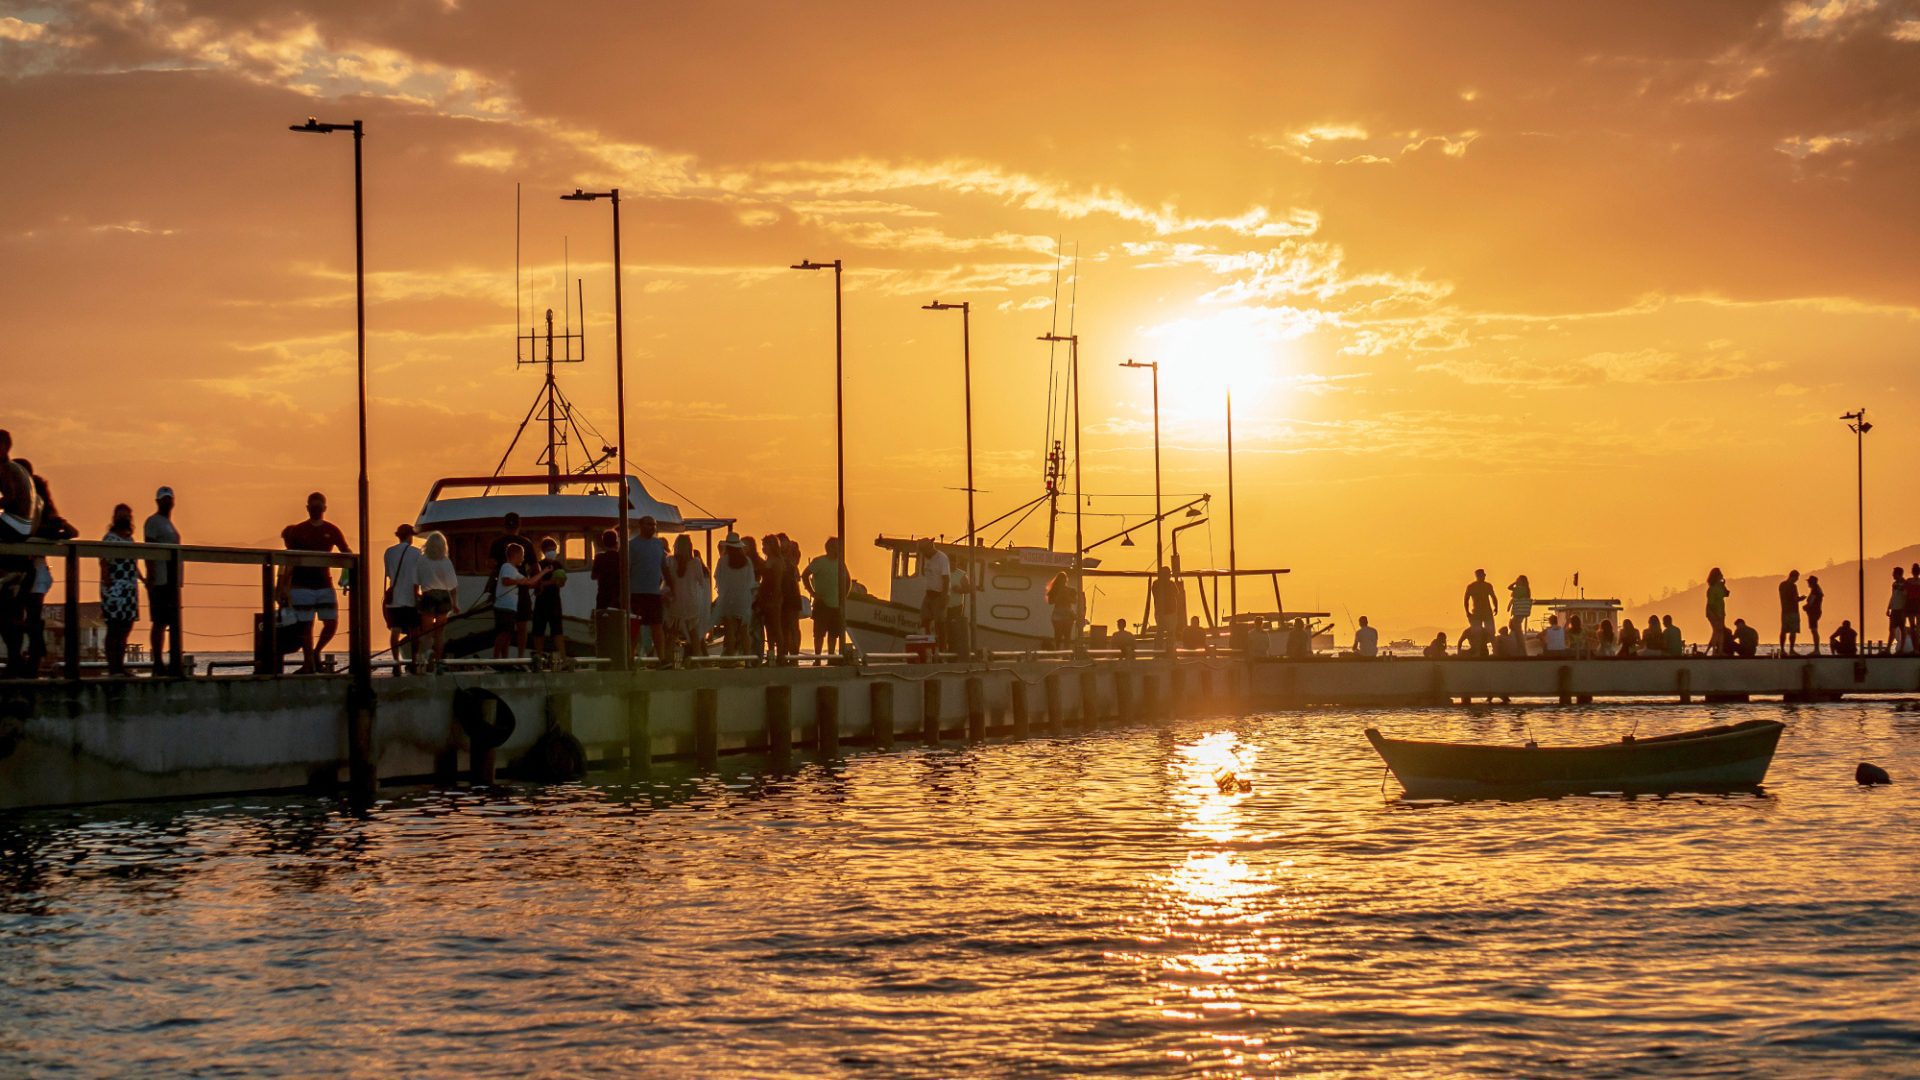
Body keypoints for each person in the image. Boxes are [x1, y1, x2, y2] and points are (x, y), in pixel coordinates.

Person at [282, 492, 352, 674]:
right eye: (313, 507)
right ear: (307, 509)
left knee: (331, 622)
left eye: (318, 508)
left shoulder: (332, 530)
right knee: (306, 625)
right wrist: (284, 586)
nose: (316, 511)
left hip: (323, 583)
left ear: (324, 509)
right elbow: (290, 559)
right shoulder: (299, 530)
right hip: (301, 585)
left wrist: (349, 573)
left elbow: (346, 551)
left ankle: (315, 652)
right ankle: (308, 663)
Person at [141, 486, 183, 676]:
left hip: (172, 580)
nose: (167, 502)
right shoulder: (153, 522)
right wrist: (150, 575)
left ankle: (173, 661)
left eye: (169, 499)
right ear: (158, 501)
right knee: (159, 621)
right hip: (160, 579)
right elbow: (148, 549)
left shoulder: (169, 524)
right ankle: (157, 662)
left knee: (171, 621)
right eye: (163, 499)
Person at [99, 504, 141, 676]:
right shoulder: (109, 538)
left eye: (126, 515)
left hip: (130, 589)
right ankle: (113, 667)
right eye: (120, 515)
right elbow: (103, 562)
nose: (124, 518)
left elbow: (133, 564)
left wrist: (143, 579)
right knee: (114, 627)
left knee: (126, 627)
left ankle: (120, 666)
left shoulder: (130, 539)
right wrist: (107, 582)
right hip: (115, 588)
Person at [410, 531, 460, 671]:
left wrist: (416, 598)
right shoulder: (446, 561)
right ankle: (438, 661)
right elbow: (453, 586)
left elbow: (415, 582)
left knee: (426, 632)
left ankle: (426, 658)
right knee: (440, 633)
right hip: (443, 597)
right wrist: (455, 604)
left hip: (428, 596)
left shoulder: (422, 560)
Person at [662, 533, 711, 665]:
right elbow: (701, 581)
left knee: (672, 634)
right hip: (691, 602)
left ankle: (668, 660)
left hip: (675, 602)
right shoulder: (695, 562)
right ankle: (697, 661)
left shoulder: (670, 561)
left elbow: (665, 579)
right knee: (694, 634)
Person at [628, 516, 669, 663]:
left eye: (654, 524)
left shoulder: (658, 544)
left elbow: (664, 567)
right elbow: (626, 569)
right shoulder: (632, 545)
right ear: (641, 525)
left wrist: (671, 587)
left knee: (657, 626)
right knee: (634, 628)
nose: (652, 527)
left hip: (653, 593)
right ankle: (630, 657)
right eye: (649, 524)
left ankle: (662, 658)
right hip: (636, 593)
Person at [803, 537, 848, 657]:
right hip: (821, 603)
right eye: (835, 547)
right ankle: (817, 657)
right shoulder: (819, 562)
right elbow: (805, 575)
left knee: (833, 634)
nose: (837, 550)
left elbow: (848, 581)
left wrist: (844, 597)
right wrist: (812, 593)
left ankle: (831, 656)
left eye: (838, 547)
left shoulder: (841, 564)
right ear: (828, 548)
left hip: (836, 604)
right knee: (819, 633)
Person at [382, 523, 419, 668]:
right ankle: (414, 661)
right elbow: (417, 577)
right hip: (410, 596)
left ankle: (396, 661)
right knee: (414, 630)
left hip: (394, 597)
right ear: (410, 536)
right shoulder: (416, 553)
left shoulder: (389, 552)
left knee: (395, 630)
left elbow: (389, 574)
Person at [714, 533, 756, 656]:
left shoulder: (723, 561)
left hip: (729, 598)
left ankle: (731, 656)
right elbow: (751, 581)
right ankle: (748, 657)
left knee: (730, 630)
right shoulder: (747, 561)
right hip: (743, 599)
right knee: (744, 631)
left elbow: (718, 578)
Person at [529, 536, 568, 662]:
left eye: (554, 549)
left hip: (555, 602)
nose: (553, 552)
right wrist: (550, 582)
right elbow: (534, 584)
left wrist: (559, 581)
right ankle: (538, 658)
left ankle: (563, 658)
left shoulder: (558, 565)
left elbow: (561, 583)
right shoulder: (538, 566)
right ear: (543, 551)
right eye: (550, 549)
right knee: (538, 632)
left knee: (557, 631)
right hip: (541, 602)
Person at [490, 541, 526, 659]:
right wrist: (518, 582)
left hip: (510, 608)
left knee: (508, 634)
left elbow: (529, 581)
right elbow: (505, 581)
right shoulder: (507, 567)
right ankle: (496, 658)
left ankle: (504, 660)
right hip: (504, 607)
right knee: (503, 634)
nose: (523, 558)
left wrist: (544, 572)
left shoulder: (514, 570)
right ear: (515, 555)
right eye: (522, 555)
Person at [757, 533, 786, 662]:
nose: (763, 548)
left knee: (776, 626)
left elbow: (777, 582)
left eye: (765, 545)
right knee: (768, 627)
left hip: (773, 596)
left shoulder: (777, 561)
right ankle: (771, 655)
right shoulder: (768, 560)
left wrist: (774, 597)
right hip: (765, 595)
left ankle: (781, 655)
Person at [916, 538, 950, 643]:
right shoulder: (928, 558)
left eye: (923, 551)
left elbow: (946, 579)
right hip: (929, 594)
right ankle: (927, 643)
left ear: (930, 548)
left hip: (939, 595)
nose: (923, 554)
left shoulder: (942, 558)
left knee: (939, 623)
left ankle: (942, 648)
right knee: (924, 620)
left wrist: (943, 598)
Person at [779, 535, 803, 657]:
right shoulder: (778, 558)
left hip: (792, 595)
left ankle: (794, 654)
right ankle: (785, 653)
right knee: (785, 627)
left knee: (793, 626)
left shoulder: (791, 557)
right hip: (782, 595)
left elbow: (796, 555)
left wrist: (789, 547)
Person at [1464, 569, 1498, 657]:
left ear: (1484, 575)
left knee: (1491, 633)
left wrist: (1496, 607)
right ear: (1476, 576)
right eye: (1479, 575)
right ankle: (1478, 653)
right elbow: (1466, 599)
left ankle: (1495, 652)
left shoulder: (1488, 585)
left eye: (1482, 575)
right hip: (1476, 613)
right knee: (1477, 634)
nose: (1481, 577)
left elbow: (1493, 597)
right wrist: (1467, 611)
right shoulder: (1471, 586)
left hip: (1487, 612)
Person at [1151, 566, 1183, 653]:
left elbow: (1176, 594)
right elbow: (1176, 594)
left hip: (1168, 611)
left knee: (1167, 632)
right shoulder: (1158, 584)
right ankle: (1161, 649)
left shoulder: (1161, 584)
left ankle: (1167, 649)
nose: (1169, 575)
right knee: (1163, 632)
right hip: (1164, 612)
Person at [590, 529, 621, 612]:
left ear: (604, 543)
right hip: (618, 595)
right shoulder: (622, 557)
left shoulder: (599, 557)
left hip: (603, 595)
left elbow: (593, 576)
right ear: (616, 543)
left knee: (602, 620)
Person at [1046, 571, 1077, 649]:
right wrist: (1059, 595)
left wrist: (1067, 596)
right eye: (1061, 581)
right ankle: (1058, 649)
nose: (1062, 582)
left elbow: (1075, 601)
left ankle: (1066, 652)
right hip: (1058, 612)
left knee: (1067, 634)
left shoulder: (1071, 590)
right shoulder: (1054, 590)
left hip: (1067, 612)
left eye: (1064, 580)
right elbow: (1050, 601)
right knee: (1058, 633)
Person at [1704, 567, 1730, 657]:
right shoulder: (1711, 589)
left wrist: (1723, 585)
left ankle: (1720, 651)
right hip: (1713, 612)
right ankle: (1714, 651)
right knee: (1717, 630)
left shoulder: (1720, 586)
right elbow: (1710, 604)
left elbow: (1727, 594)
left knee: (1721, 631)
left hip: (1721, 611)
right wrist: (1715, 615)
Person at [1778, 570, 1803, 657]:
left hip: (1784, 611)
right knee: (1793, 631)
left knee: (1783, 631)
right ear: (1794, 577)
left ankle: (1782, 650)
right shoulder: (1793, 586)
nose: (1797, 580)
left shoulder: (1782, 585)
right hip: (1793, 611)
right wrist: (1801, 599)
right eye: (1797, 578)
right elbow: (1795, 599)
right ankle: (1791, 650)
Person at [1802, 574, 1824, 655]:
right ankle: (1816, 649)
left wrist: (1805, 606)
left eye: (1809, 582)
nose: (1808, 583)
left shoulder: (1815, 590)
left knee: (1814, 630)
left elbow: (1811, 602)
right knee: (1814, 630)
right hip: (1815, 612)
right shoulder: (1817, 590)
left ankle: (1816, 650)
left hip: (1813, 612)